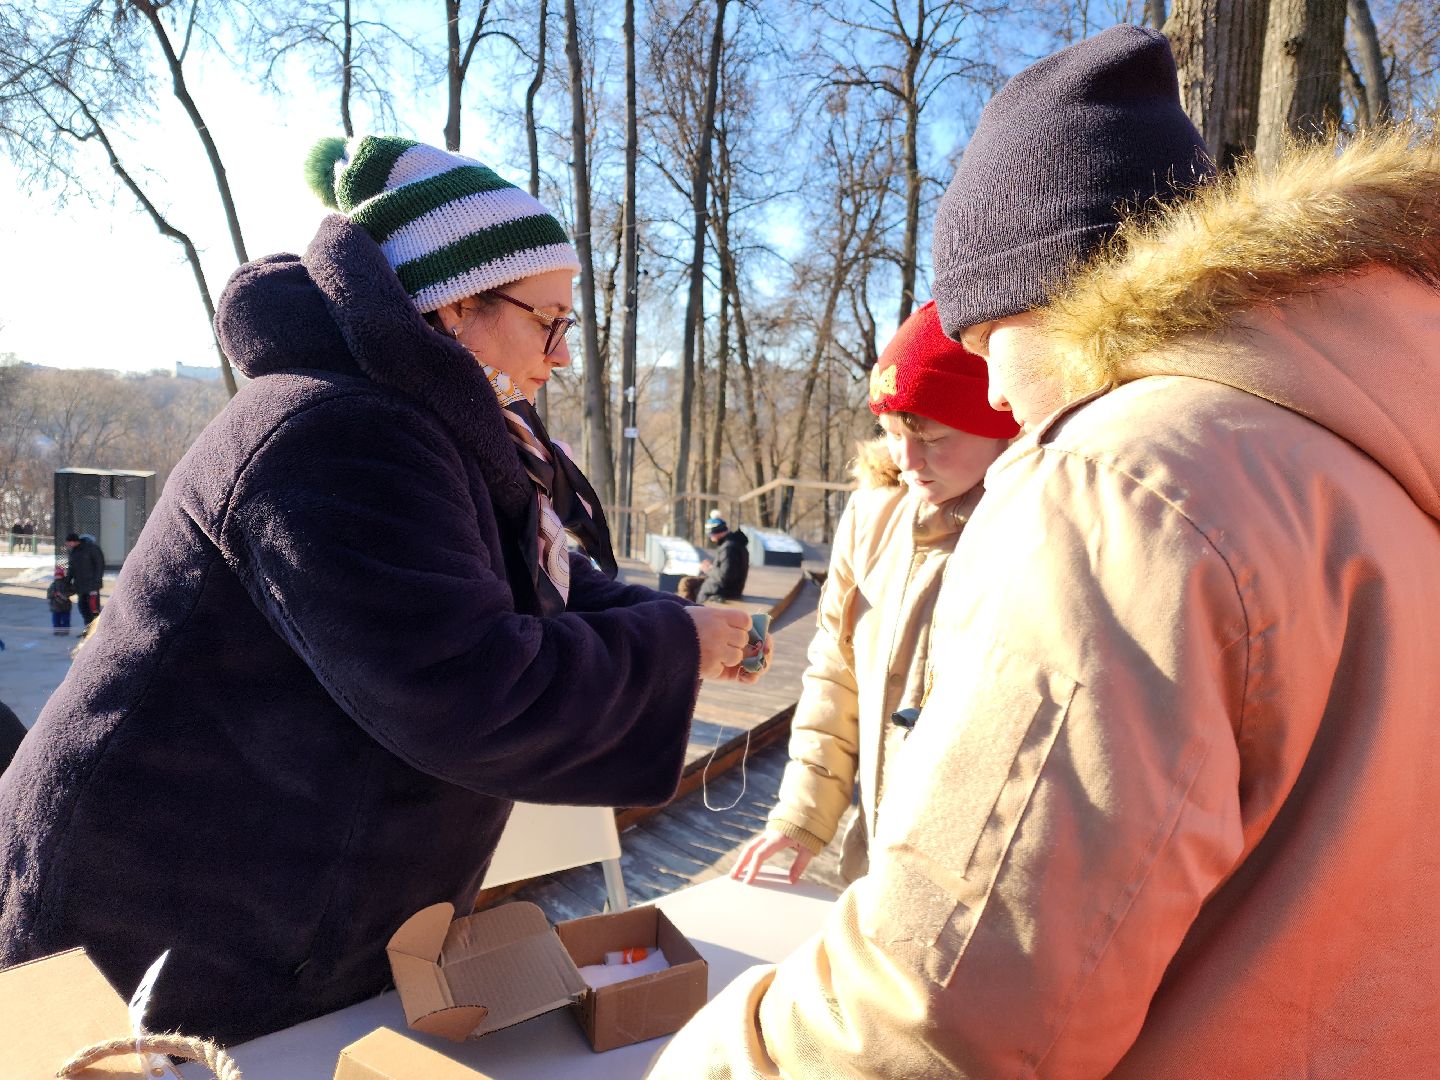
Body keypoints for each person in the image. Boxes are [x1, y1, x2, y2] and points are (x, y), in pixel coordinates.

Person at [650, 25, 1440, 1077]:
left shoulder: (1128, 484)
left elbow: (953, 1006)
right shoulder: (1370, 457)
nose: (1000, 395)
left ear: (1052, 293)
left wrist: (713, 1060)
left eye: (984, 347)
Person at [0, 134, 760, 1047]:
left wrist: (678, 623)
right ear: (452, 308)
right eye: (547, 320)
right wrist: (679, 648)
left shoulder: (445, 436)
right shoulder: (337, 435)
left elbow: (551, 585)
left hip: (280, 921)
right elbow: (465, 686)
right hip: (157, 929)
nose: (560, 357)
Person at [731, 301, 1016, 887]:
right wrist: (805, 811)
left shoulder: (1033, 531)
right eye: (891, 434)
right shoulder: (872, 518)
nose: (907, 461)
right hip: (873, 854)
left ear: (1000, 425)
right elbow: (836, 668)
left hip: (976, 877)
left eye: (932, 436)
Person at [696, 516, 749, 602]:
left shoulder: (729, 548)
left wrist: (709, 569)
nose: (710, 537)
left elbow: (726, 577)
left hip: (721, 593)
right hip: (723, 590)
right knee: (689, 584)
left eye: (710, 533)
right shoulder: (733, 544)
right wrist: (712, 565)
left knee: (688, 586)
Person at [62, 531, 105, 625]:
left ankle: (96, 631)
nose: (67, 545)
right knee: (83, 608)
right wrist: (67, 581)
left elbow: (100, 565)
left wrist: (97, 581)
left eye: (68, 542)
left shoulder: (92, 548)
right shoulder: (74, 551)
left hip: (92, 585)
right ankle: (88, 630)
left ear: (74, 541)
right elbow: (71, 568)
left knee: (93, 608)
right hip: (80, 585)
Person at [46, 565, 72, 636]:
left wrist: (62, 594)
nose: (58, 577)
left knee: (64, 619)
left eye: (59, 575)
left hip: (64, 606)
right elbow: (49, 594)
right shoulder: (53, 585)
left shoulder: (65, 584)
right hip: (57, 606)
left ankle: (64, 630)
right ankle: (59, 630)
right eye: (57, 575)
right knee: (57, 619)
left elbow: (71, 591)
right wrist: (54, 594)